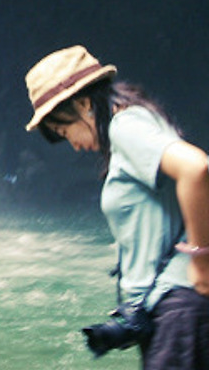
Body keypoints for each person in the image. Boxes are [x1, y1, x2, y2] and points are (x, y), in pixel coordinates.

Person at [24, 45, 209, 368]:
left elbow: (197, 168)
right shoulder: (138, 119)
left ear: (82, 103)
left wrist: (202, 261)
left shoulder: (125, 127)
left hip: (180, 306)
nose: (74, 144)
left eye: (64, 130)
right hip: (173, 308)